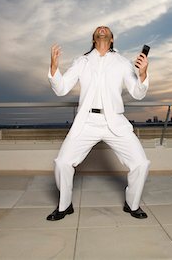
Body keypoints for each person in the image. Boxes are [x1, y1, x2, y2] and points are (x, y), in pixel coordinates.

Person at [46, 26, 150, 221]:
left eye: (106, 29)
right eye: (98, 29)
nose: (102, 29)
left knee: (141, 163)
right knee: (62, 163)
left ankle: (132, 204)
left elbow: (137, 92)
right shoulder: (81, 61)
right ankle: (64, 205)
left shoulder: (122, 63)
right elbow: (61, 89)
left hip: (116, 121)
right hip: (86, 122)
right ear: (94, 39)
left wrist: (143, 74)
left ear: (112, 40)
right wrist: (54, 67)